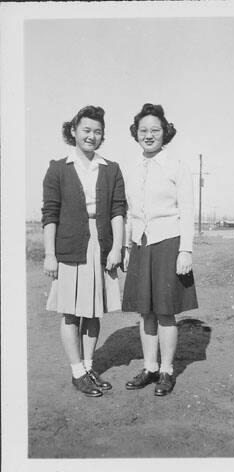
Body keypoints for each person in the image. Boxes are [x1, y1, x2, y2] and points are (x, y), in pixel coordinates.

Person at [42, 105, 126, 397]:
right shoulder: (57, 168)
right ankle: (77, 371)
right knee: (70, 314)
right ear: (74, 131)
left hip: (101, 246)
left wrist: (117, 247)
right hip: (70, 246)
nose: (92, 136)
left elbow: (118, 211)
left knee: (93, 312)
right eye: (86, 130)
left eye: (98, 131)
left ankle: (89, 366)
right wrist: (50, 254)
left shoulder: (111, 169)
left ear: (103, 136)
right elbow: (50, 214)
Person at [122, 103, 198, 396]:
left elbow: (187, 210)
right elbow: (131, 212)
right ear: (136, 134)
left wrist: (186, 250)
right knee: (145, 312)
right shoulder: (133, 168)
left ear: (165, 132)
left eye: (155, 130)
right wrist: (129, 245)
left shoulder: (177, 166)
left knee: (166, 312)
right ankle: (150, 366)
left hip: (169, 243)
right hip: (141, 244)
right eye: (143, 130)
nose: (149, 135)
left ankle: (166, 371)